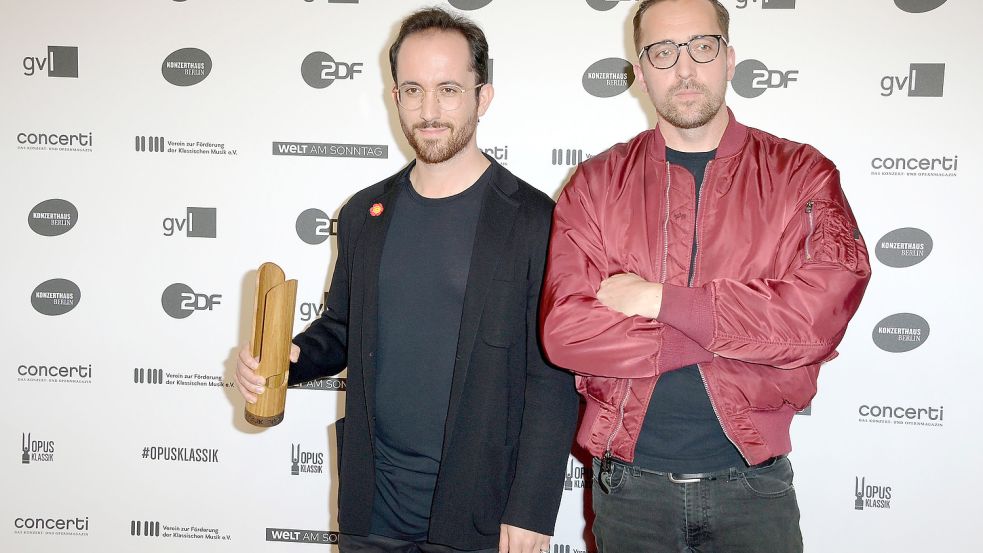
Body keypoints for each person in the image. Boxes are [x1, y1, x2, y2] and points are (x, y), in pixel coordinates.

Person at [235, 8, 577, 553]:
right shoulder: (364, 214)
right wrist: (290, 357)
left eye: (448, 89)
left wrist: (533, 507)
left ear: (482, 97)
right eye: (413, 90)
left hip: (482, 511)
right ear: (395, 98)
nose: (430, 110)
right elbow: (343, 328)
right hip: (374, 507)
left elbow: (552, 377)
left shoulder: (534, 219)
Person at [539, 0, 871, 551]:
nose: (685, 68)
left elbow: (815, 322)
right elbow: (566, 332)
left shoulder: (800, 175)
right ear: (640, 71)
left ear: (730, 58)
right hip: (629, 490)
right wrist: (734, 332)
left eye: (703, 46)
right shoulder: (596, 184)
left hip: (753, 488)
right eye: (664, 52)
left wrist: (660, 300)